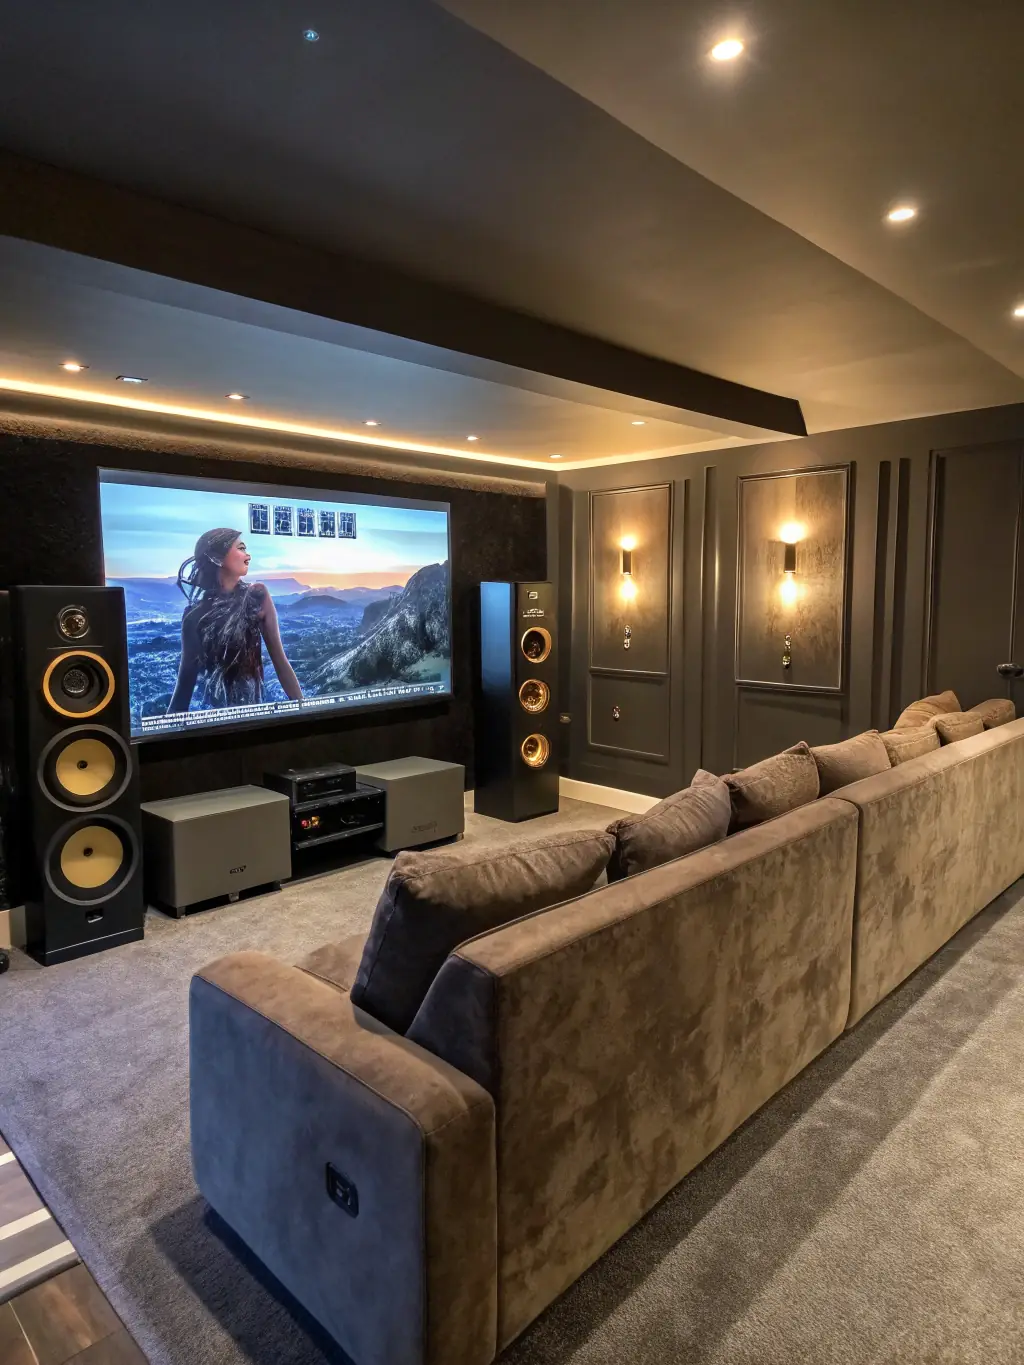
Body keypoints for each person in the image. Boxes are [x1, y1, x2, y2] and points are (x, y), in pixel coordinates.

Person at [168, 528, 303, 714]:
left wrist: (304, 711)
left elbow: (280, 662)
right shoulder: (194, 617)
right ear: (217, 558)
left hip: (255, 717)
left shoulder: (257, 596)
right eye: (241, 548)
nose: (248, 555)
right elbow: (184, 685)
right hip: (215, 722)